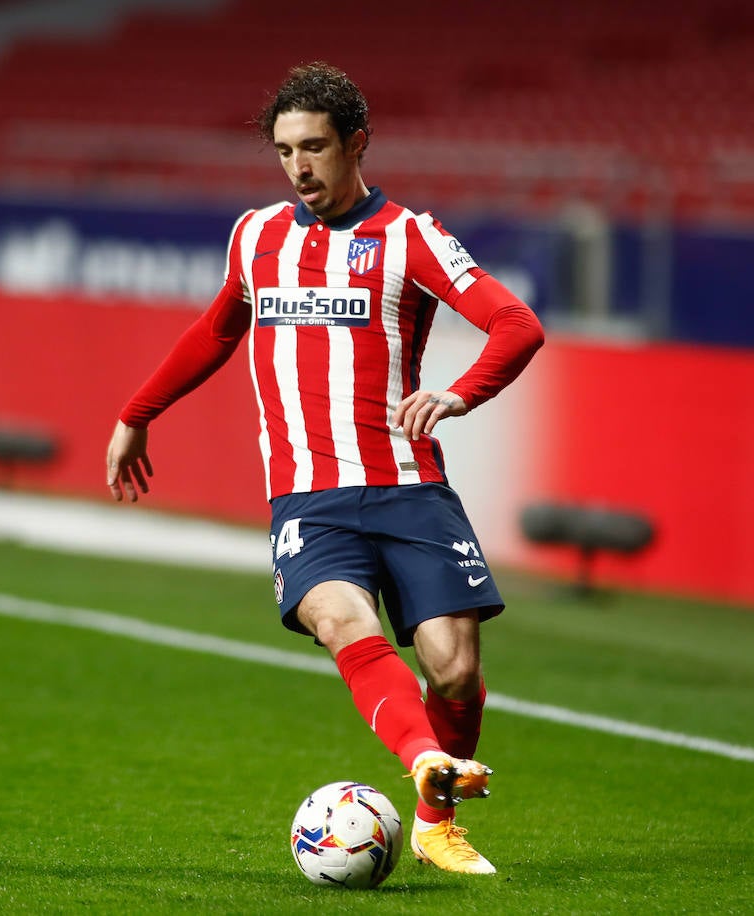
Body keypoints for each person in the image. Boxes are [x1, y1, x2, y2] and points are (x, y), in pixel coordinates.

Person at [105, 61, 543, 876]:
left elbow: (516, 325)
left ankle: (435, 821)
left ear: (356, 145)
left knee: (455, 671)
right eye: (283, 151)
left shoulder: (410, 236)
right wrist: (137, 414)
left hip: (410, 487)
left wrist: (457, 395)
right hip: (310, 497)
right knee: (345, 623)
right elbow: (215, 330)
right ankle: (425, 765)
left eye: (313, 148)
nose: (298, 168)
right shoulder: (257, 237)